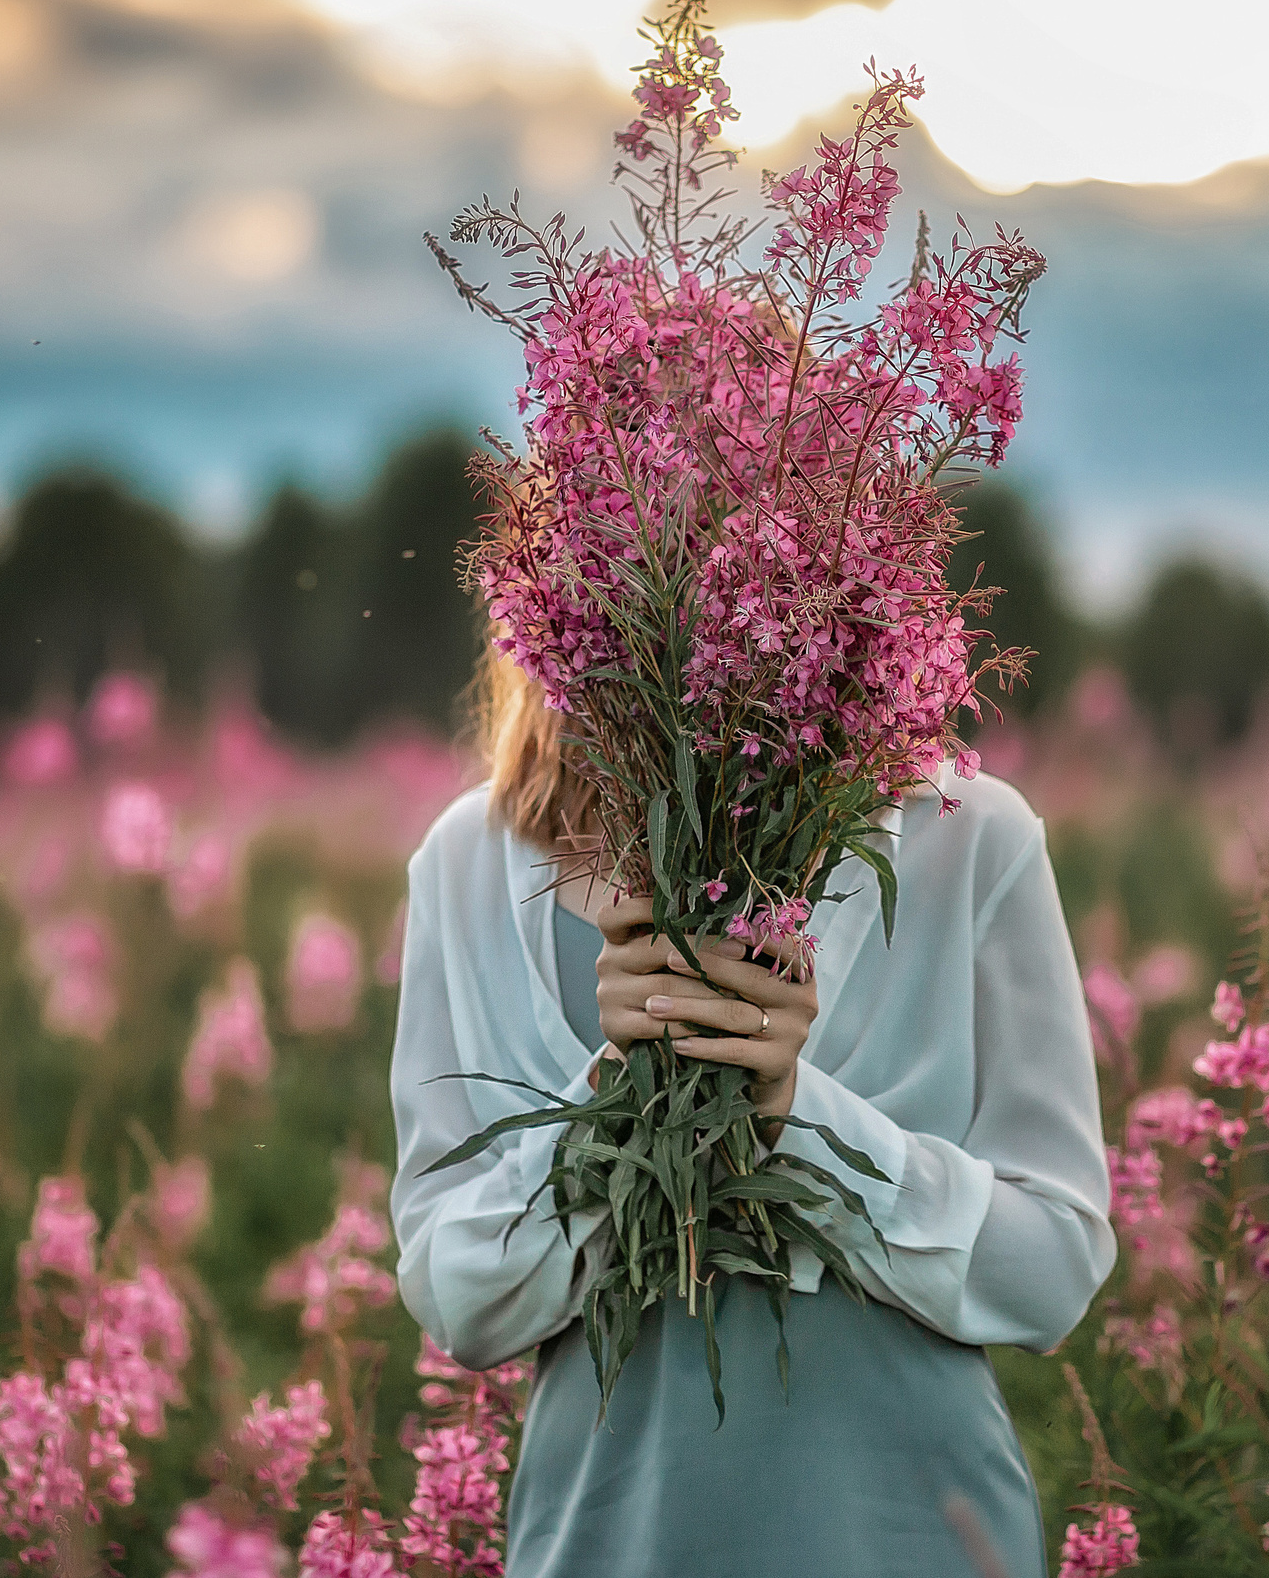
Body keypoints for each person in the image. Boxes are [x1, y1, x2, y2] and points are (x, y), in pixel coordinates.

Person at [389, 646, 1116, 1578]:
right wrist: (619, 1087)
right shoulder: (471, 861)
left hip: (911, 1537)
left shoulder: (967, 832)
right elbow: (458, 1302)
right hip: (609, 1542)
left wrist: (798, 1115)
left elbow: (1054, 1269)